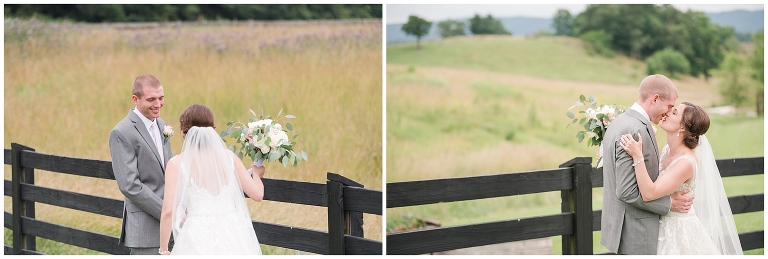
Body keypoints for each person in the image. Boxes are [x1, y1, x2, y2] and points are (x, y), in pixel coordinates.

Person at [620, 102, 743, 255]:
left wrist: (637, 155)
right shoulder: (666, 150)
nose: (667, 112)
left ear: (683, 127)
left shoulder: (685, 163)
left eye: (675, 112)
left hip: (678, 232)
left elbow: (649, 193)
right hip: (659, 224)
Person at [600, 74, 695, 255]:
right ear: (655, 98)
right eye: (669, 106)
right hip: (636, 231)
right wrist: (669, 204)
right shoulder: (635, 129)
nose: (668, 112)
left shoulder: (621, 121)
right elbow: (627, 191)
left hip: (625, 227)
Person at [159, 104, 265, 255]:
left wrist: (163, 251)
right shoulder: (229, 157)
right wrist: (256, 173)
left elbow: (168, 211)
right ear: (212, 130)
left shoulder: (176, 164)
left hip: (197, 235)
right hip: (233, 232)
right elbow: (257, 194)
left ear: (184, 132)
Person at [109, 74, 173, 255]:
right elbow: (130, 185)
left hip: (171, 228)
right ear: (135, 99)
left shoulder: (162, 125)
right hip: (145, 230)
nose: (158, 104)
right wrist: (167, 211)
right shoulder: (122, 132)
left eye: (161, 98)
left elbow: (169, 171)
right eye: (151, 99)